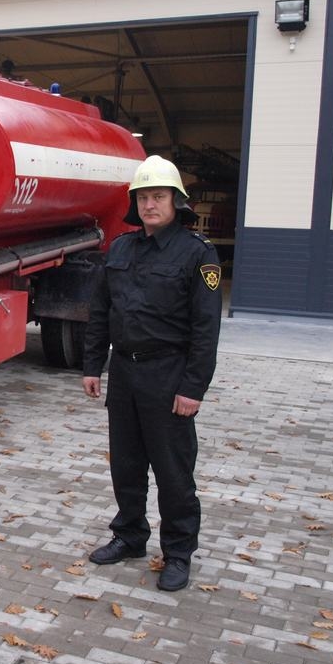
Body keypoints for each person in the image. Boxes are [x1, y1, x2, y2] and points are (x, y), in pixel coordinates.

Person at [82, 155, 222, 591]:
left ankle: (178, 553)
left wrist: (193, 387)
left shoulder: (197, 253)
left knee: (173, 472)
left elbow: (206, 329)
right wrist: (92, 365)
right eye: (143, 197)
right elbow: (100, 311)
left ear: (176, 201)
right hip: (125, 373)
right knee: (126, 465)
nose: (149, 204)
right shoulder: (121, 249)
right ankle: (129, 536)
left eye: (158, 196)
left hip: (169, 376)